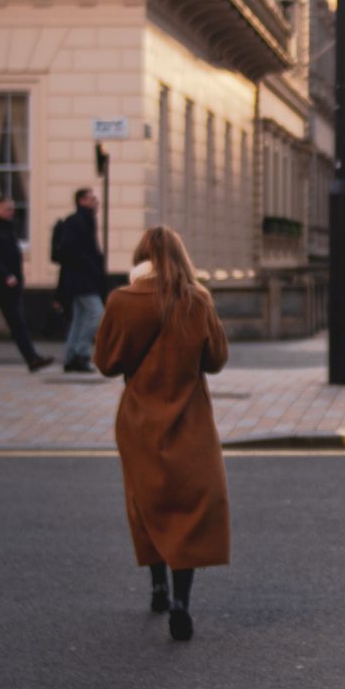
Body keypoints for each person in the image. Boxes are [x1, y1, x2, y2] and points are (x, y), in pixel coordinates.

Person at [94, 226, 230, 642]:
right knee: (187, 510)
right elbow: (216, 359)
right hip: (190, 420)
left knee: (147, 503)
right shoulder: (198, 299)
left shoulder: (122, 301)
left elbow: (106, 362)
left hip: (139, 421)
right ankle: (181, 602)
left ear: (140, 260)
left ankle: (156, 586)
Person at [0, 197, 53, 374]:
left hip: (9, 286)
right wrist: (5, 274)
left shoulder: (8, 228)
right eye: (8, 208)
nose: (12, 212)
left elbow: (13, 257)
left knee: (17, 324)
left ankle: (31, 358)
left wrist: (16, 278)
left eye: (12, 208)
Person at [56, 188, 106, 372]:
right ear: (82, 201)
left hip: (82, 278)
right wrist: (90, 266)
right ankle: (80, 353)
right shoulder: (77, 221)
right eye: (92, 199)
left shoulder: (86, 220)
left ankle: (71, 357)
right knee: (96, 314)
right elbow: (70, 251)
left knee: (79, 318)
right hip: (82, 279)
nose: (96, 202)